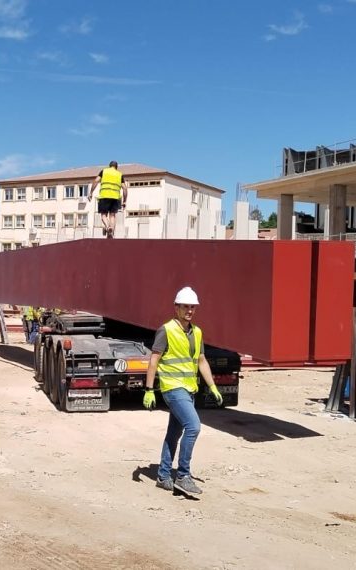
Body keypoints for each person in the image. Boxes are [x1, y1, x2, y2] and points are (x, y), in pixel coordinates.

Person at [143, 286, 221, 496]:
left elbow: (201, 360)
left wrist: (212, 385)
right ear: (176, 307)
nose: (189, 310)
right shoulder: (166, 330)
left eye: (192, 307)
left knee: (175, 432)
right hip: (172, 388)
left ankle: (163, 475)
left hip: (189, 389)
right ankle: (184, 476)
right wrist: (149, 389)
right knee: (193, 427)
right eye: (185, 306)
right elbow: (154, 360)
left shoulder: (197, 332)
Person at [88, 161, 128, 239]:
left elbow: (96, 181)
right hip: (115, 198)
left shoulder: (104, 171)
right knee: (112, 215)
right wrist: (124, 201)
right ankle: (111, 230)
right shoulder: (119, 174)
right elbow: (125, 189)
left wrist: (91, 192)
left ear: (109, 166)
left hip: (104, 196)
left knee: (103, 215)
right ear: (116, 167)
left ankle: (107, 226)